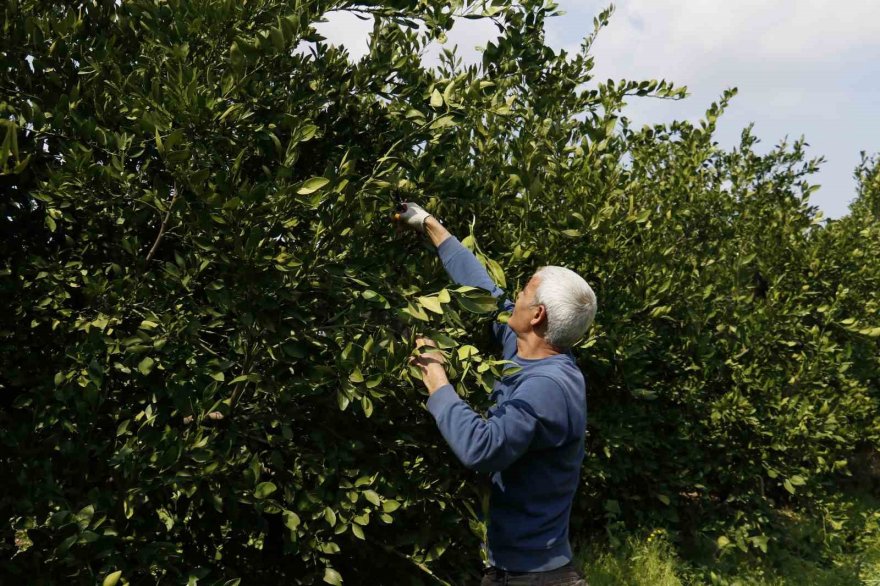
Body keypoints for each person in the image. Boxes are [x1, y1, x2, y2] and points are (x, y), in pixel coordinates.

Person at [394, 202, 596, 585]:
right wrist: (430, 226)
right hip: (512, 568)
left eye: (523, 292)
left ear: (536, 316)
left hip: (535, 578)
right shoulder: (529, 348)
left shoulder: (546, 388)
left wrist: (436, 377)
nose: (514, 297)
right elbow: (485, 294)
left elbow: (481, 449)